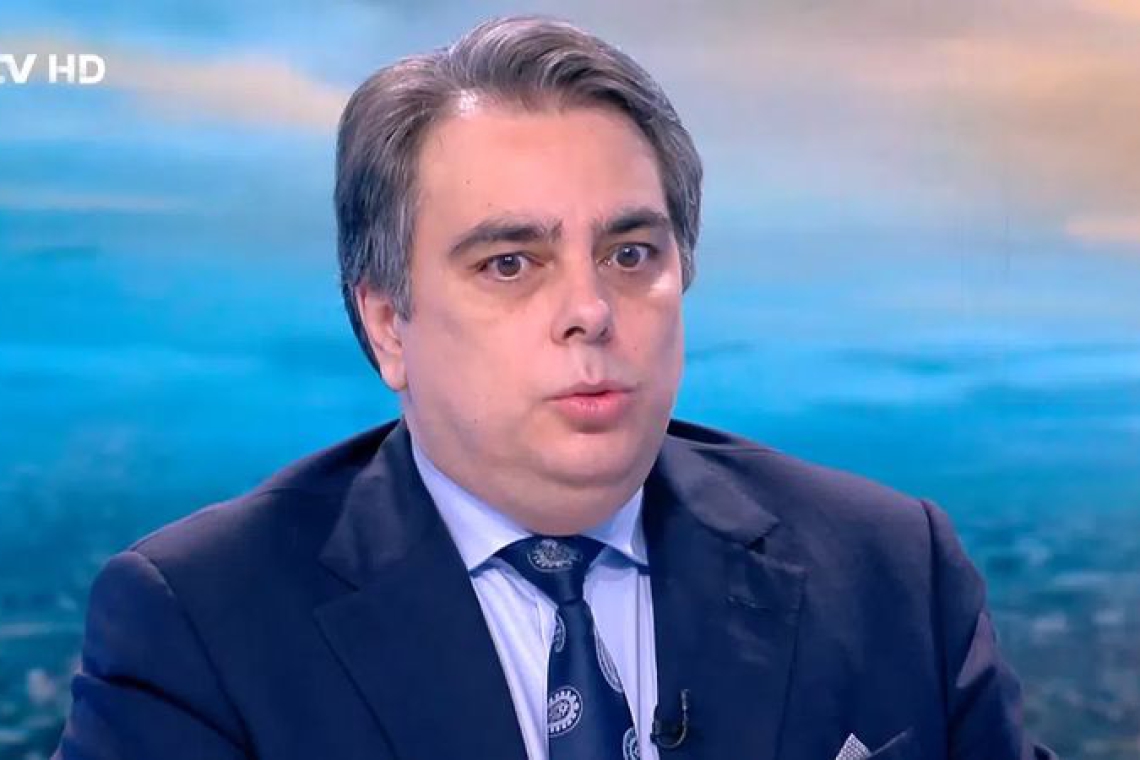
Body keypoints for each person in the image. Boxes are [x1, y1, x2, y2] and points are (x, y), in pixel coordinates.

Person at [54, 14, 1058, 760]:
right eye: (510, 264)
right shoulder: (201, 625)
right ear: (389, 323)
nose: (590, 309)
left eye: (630, 254)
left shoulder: (890, 569)